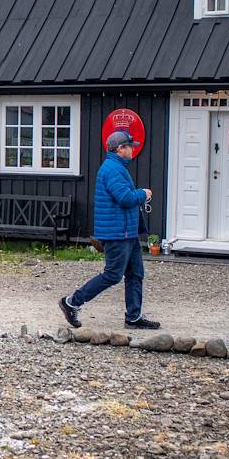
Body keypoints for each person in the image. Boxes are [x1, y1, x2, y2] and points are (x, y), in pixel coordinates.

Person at [59, 129, 161, 330]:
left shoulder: (116, 167)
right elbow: (125, 198)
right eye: (130, 147)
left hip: (126, 231)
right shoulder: (113, 169)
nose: (133, 150)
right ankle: (71, 302)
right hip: (117, 233)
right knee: (113, 274)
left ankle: (133, 317)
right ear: (120, 149)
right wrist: (143, 193)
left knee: (135, 274)